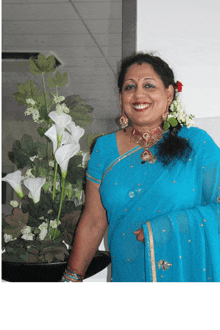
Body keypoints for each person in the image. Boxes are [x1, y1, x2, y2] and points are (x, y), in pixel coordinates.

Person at [61, 53, 220, 282]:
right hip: (128, 277)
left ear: (169, 93)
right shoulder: (104, 148)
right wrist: (71, 278)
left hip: (185, 277)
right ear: (121, 97)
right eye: (129, 87)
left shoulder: (196, 143)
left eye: (148, 85)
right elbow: (94, 221)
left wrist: (167, 228)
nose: (138, 94)